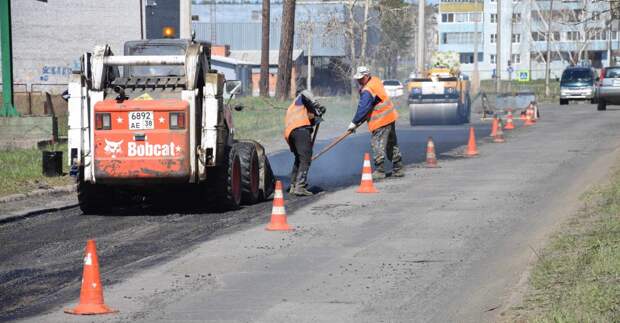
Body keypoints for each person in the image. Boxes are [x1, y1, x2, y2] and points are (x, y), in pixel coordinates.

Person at [348, 66, 403, 180]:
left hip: (381, 120)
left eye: (361, 78)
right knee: (391, 144)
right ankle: (398, 168)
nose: (359, 81)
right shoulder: (376, 81)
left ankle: (380, 170)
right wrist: (359, 120)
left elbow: (364, 108)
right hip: (390, 117)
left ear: (367, 76)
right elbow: (373, 104)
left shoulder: (368, 89)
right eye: (358, 79)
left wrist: (354, 122)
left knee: (377, 143)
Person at [284, 90, 326, 196]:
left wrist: (317, 116)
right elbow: (305, 93)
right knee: (306, 158)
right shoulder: (302, 98)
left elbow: (311, 118)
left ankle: (293, 185)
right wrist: (317, 105)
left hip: (290, 133)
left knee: (299, 158)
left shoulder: (294, 106)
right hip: (300, 130)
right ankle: (300, 186)